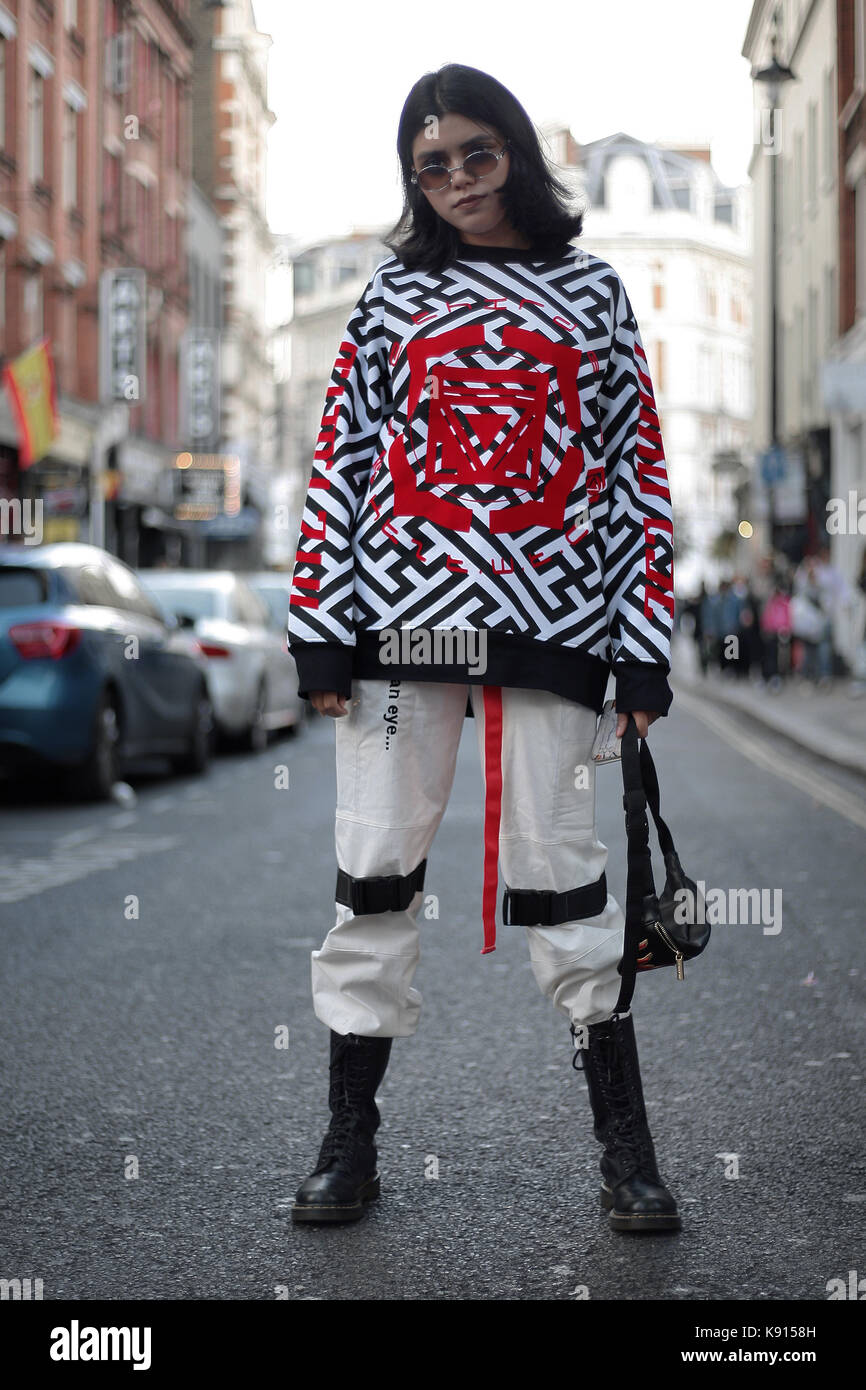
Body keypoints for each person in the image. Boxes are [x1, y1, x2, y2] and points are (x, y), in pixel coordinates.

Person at [286, 64, 679, 1234]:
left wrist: (642, 651)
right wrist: (320, 632)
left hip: (552, 630)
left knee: (566, 878)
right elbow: (342, 467)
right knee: (372, 871)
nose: (454, 180)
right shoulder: (388, 296)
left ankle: (626, 1151)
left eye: (474, 154)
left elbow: (632, 481)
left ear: (514, 151)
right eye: (429, 165)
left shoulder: (592, 290)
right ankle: (347, 1141)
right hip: (403, 632)